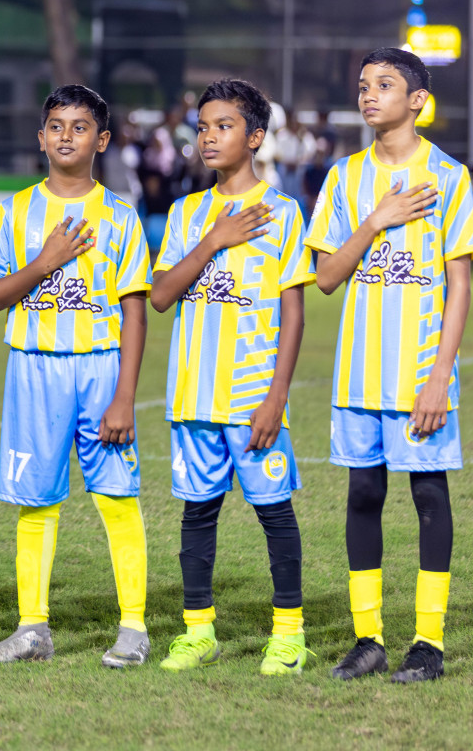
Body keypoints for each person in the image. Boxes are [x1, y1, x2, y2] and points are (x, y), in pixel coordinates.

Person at [307, 48, 473, 684]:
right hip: (358, 375)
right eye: (363, 85)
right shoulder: (343, 178)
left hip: (420, 377)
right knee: (363, 494)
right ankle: (368, 640)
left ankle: (429, 645)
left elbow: (460, 284)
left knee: (429, 495)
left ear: (416, 100)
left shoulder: (447, 176)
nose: (369, 95)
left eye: (385, 85)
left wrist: (441, 374)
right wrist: (375, 220)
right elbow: (326, 276)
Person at [0, 84, 153, 669]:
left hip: (101, 370)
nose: (66, 135)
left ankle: (133, 628)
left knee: (117, 497)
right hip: (33, 370)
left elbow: (133, 310)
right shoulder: (17, 211)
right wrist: (45, 263)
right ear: (41, 135)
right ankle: (32, 630)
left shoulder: (120, 216)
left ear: (101, 140)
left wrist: (125, 394)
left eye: (79, 127)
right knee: (36, 501)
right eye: (56, 125)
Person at [149, 79, 315, 675]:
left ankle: (289, 634)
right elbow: (162, 296)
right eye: (203, 126)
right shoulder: (187, 212)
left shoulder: (283, 213)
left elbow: (293, 316)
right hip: (193, 396)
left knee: (274, 512)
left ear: (256, 137)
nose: (209, 136)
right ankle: (198, 632)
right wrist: (213, 240)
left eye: (223, 125)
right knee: (198, 513)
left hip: (252, 400)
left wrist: (277, 397)